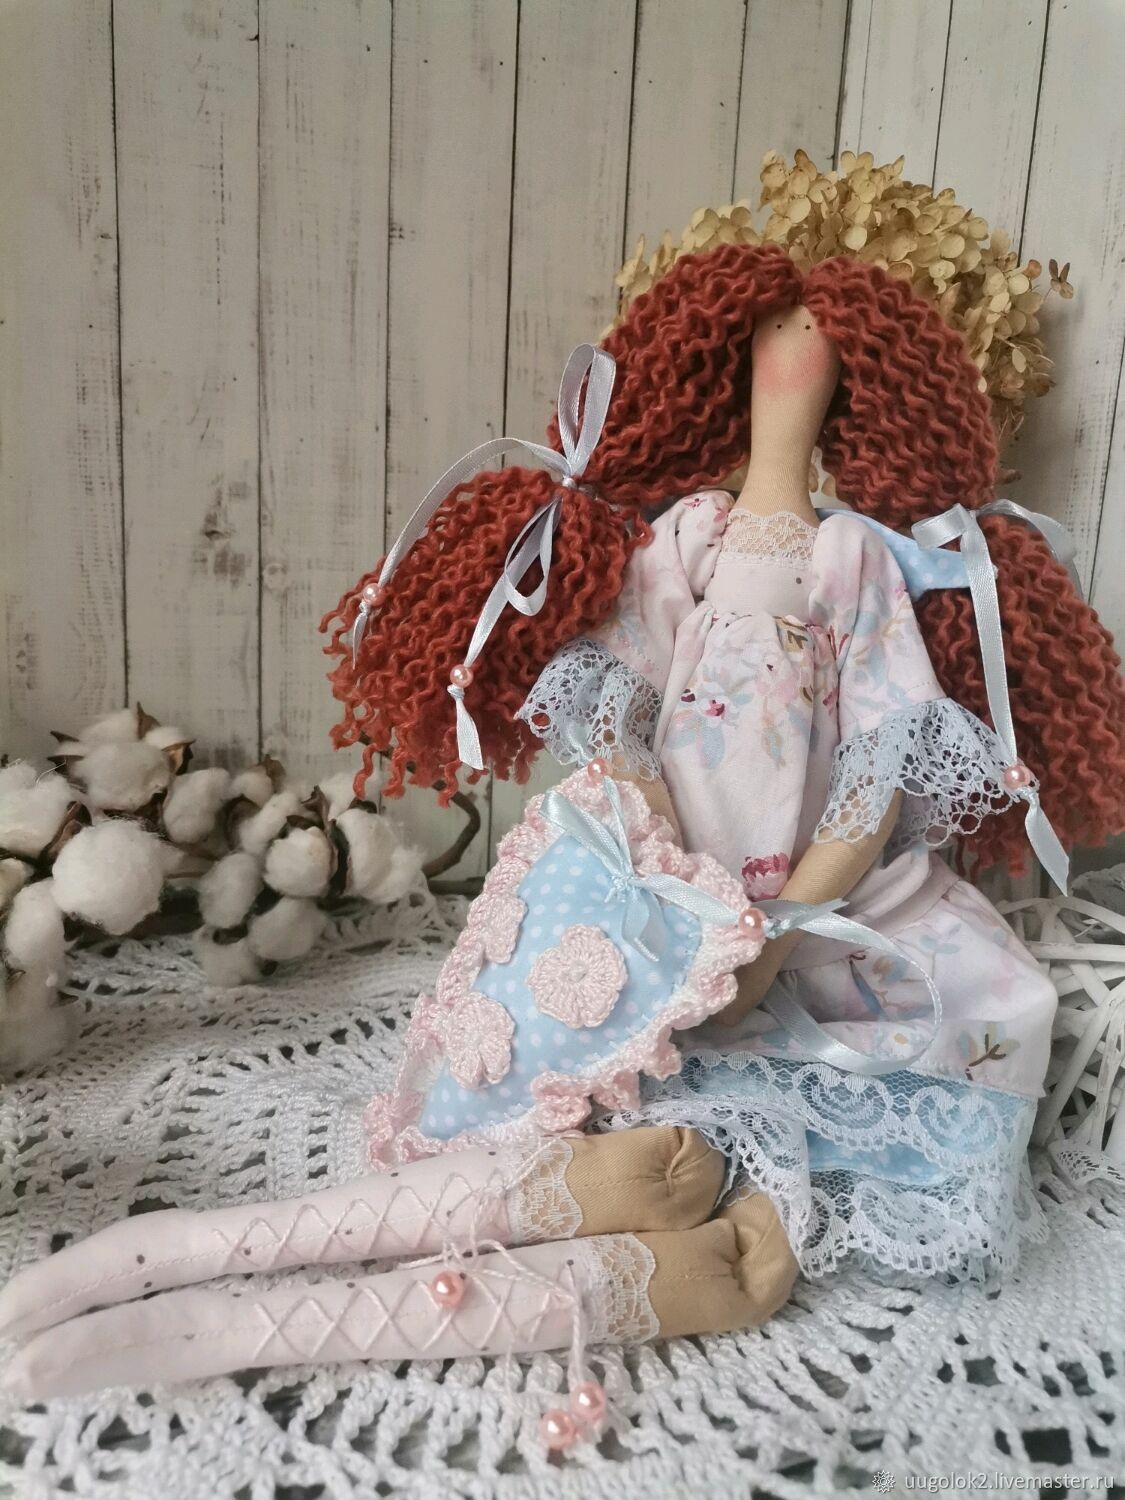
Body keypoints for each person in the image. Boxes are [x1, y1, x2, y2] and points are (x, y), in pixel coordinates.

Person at [2, 246, 1121, 1437]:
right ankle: (215, 1262)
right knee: (585, 1058)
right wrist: (660, 866)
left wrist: (785, 927)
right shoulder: (686, 538)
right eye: (768, 344)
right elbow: (621, 717)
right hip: (662, 895)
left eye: (814, 348)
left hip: (817, 922)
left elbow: (877, 769)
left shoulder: (858, 559)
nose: (788, 365)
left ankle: (650, 1241)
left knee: (911, 1059)